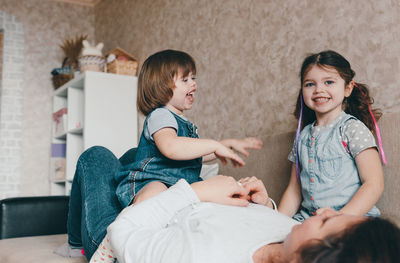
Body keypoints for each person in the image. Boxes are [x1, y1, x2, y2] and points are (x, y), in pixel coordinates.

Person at [66, 49, 262, 261]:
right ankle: (113, 240)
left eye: (193, 78)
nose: (193, 84)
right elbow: (171, 147)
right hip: (153, 182)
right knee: (155, 192)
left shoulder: (185, 124)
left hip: (177, 189)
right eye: (185, 80)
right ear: (162, 86)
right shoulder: (160, 116)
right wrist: (213, 144)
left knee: (138, 160)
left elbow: (191, 154)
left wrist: (223, 146)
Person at [103, 175, 400, 263]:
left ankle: (79, 244)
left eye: (325, 222)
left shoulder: (200, 257)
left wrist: (196, 191)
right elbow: (259, 226)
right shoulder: (289, 235)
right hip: (185, 202)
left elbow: (123, 231)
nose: (325, 210)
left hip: (137, 222)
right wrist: (263, 203)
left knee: (97, 159)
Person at [278, 50, 385, 222]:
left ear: (348, 88)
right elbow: (294, 190)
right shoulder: (302, 137)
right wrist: (275, 223)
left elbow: (374, 184)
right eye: (309, 84)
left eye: (328, 82)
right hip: (309, 220)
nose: (319, 89)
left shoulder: (352, 129)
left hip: (350, 217)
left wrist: (339, 217)